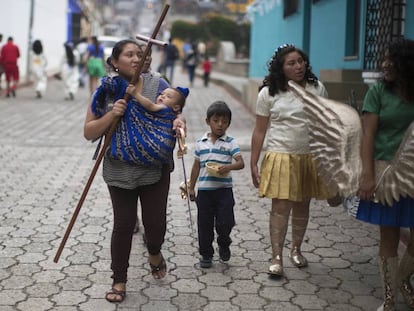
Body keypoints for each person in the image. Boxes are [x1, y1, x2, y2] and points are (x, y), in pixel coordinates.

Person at [84, 39, 186, 303]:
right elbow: (89, 132)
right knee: (124, 224)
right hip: (119, 168)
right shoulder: (106, 90)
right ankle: (119, 280)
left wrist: (179, 121)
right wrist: (111, 115)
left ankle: (154, 251)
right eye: (128, 55)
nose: (135, 58)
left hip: (154, 168)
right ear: (115, 62)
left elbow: (176, 110)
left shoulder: (157, 85)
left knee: (155, 227)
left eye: (139, 54)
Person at [250, 44, 332, 276]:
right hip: (281, 154)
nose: (298, 66)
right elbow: (259, 131)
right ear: (281, 68)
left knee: (303, 204)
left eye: (300, 61)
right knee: (280, 207)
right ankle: (276, 256)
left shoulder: (317, 88)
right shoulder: (269, 93)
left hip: (309, 156)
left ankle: (296, 249)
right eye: (291, 63)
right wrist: (253, 162)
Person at [356, 38, 414, 311]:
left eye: (392, 59)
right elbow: (368, 135)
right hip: (387, 174)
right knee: (389, 235)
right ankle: (389, 297)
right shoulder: (378, 91)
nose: (385, 64)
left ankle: (403, 280)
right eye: (384, 59)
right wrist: (367, 175)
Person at [188, 101, 245, 268]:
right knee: (204, 224)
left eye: (225, 122)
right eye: (216, 120)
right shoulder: (200, 143)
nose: (220, 125)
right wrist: (191, 187)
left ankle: (224, 242)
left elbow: (241, 163)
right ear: (208, 121)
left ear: (229, 123)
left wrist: (228, 167)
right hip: (205, 192)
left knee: (225, 222)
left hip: (224, 192)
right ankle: (206, 254)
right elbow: (196, 166)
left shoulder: (230, 143)